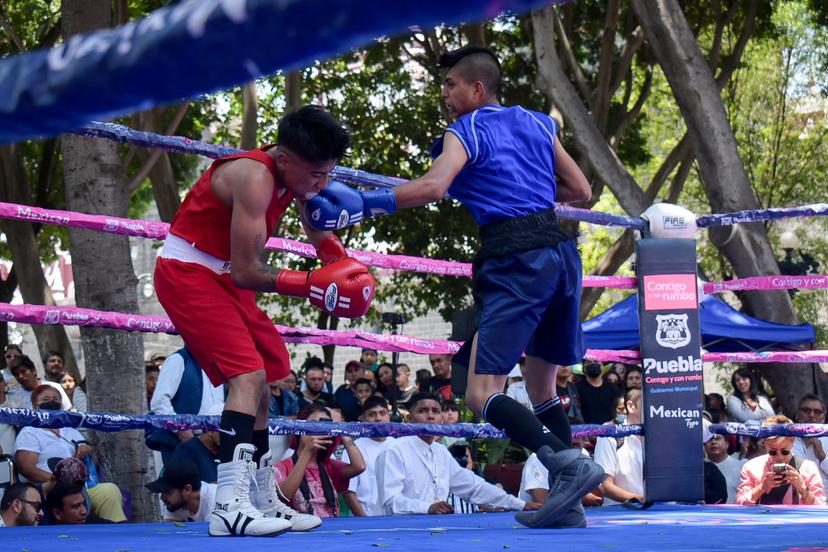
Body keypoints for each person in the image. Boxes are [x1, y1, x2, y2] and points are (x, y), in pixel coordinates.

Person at [307, 46, 601, 528]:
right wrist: (519, 191)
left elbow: (434, 186)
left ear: (477, 89)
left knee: (478, 392)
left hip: (514, 258)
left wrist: (361, 204)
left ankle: (565, 463)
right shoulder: (537, 122)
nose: (445, 94)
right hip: (561, 254)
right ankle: (566, 503)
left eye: (451, 85)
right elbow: (581, 191)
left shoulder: (467, 129)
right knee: (541, 384)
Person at [153, 105, 374, 537]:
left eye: (329, 173)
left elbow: (319, 230)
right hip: (190, 271)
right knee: (247, 375)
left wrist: (345, 267)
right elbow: (246, 270)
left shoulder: (300, 174)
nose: (323, 183)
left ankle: (258, 496)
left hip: (222, 275)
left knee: (266, 376)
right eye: (317, 175)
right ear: (288, 160)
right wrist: (313, 282)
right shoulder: (255, 177)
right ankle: (228, 508)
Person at [375, 393, 537, 515]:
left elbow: (474, 486)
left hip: (438, 530)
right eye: (423, 411)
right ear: (409, 419)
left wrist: (519, 505)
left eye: (436, 411)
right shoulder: (394, 451)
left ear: (442, 419)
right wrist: (427, 508)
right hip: (399, 533)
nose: (430, 416)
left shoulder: (441, 452)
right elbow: (390, 501)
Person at [14, 385, 126, 523]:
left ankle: (115, 533)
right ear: (35, 405)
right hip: (50, 488)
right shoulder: (30, 432)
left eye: (56, 399)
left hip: (81, 487)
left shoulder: (70, 429)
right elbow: (27, 468)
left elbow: (93, 461)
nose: (52, 401)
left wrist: (87, 449)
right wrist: (57, 481)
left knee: (109, 490)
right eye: (46, 399)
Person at [273, 404, 365, 519]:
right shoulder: (281, 467)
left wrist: (341, 429)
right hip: (299, 532)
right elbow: (285, 496)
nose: (318, 429)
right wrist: (307, 451)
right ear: (300, 428)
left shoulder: (329, 466)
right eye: (313, 424)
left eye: (323, 425)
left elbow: (360, 466)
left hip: (332, 531)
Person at [149, 348, 225, 465]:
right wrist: (181, 428)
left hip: (214, 443)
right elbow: (159, 402)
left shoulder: (216, 363)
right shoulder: (178, 360)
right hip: (181, 441)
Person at [736, 415, 825, 505]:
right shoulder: (751, 467)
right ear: (765, 444)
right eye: (773, 452)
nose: (780, 457)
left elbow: (821, 507)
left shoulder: (808, 468)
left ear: (792, 443)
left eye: (785, 452)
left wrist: (802, 489)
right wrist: (762, 488)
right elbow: (740, 504)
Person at [341, 396, 396, 516]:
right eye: (372, 414)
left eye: (383, 413)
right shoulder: (354, 449)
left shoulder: (398, 446)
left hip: (397, 518)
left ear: (389, 416)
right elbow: (349, 493)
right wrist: (366, 521)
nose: (378, 418)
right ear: (362, 418)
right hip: (364, 521)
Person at [594, 388, 644, 505]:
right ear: (631, 406)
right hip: (622, 516)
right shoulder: (609, 435)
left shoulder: (663, 437)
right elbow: (605, 485)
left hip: (663, 515)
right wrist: (642, 500)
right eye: (648, 403)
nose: (656, 408)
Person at [147, 459, 217, 523]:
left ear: (187, 490)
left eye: (167, 492)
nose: (162, 498)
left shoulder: (215, 502)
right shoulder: (176, 504)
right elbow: (169, 531)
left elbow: (216, 535)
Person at [171, 403, 223, 483]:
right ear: (210, 430)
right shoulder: (186, 451)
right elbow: (186, 491)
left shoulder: (228, 451)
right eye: (225, 429)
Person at [791, 394, 828, 489]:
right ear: (797, 415)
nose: (811, 415)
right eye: (806, 410)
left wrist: (822, 456)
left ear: (823, 418)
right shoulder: (786, 440)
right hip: (792, 500)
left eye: (817, 412)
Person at [704, 433, 745, 504]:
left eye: (717, 439)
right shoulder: (699, 468)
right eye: (709, 439)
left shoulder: (741, 466)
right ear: (704, 445)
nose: (713, 442)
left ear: (727, 444)